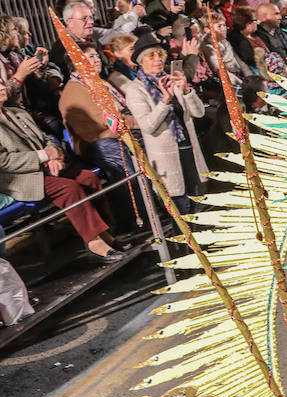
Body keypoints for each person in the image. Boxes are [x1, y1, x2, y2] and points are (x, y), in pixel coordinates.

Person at [0, 80, 122, 261]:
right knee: (69, 189)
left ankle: (106, 233)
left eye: (2, 83)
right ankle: (94, 242)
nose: (3, 87)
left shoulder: (18, 113)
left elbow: (46, 138)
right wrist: (43, 156)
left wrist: (55, 155)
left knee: (88, 178)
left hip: (47, 166)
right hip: (19, 178)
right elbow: (3, 161)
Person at [117, 37, 205, 211]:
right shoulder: (135, 90)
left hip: (189, 150)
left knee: (199, 204)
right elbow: (148, 126)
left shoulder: (171, 79)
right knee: (181, 209)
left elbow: (199, 113)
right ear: (141, 62)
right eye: (151, 56)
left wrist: (186, 89)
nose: (158, 59)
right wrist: (165, 101)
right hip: (167, 158)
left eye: (160, 54)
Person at [60, 42, 131, 183]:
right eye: (91, 56)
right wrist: (137, 122)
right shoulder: (75, 90)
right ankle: (137, 195)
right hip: (98, 141)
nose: (98, 60)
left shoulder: (100, 83)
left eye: (97, 56)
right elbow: (105, 121)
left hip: (117, 131)